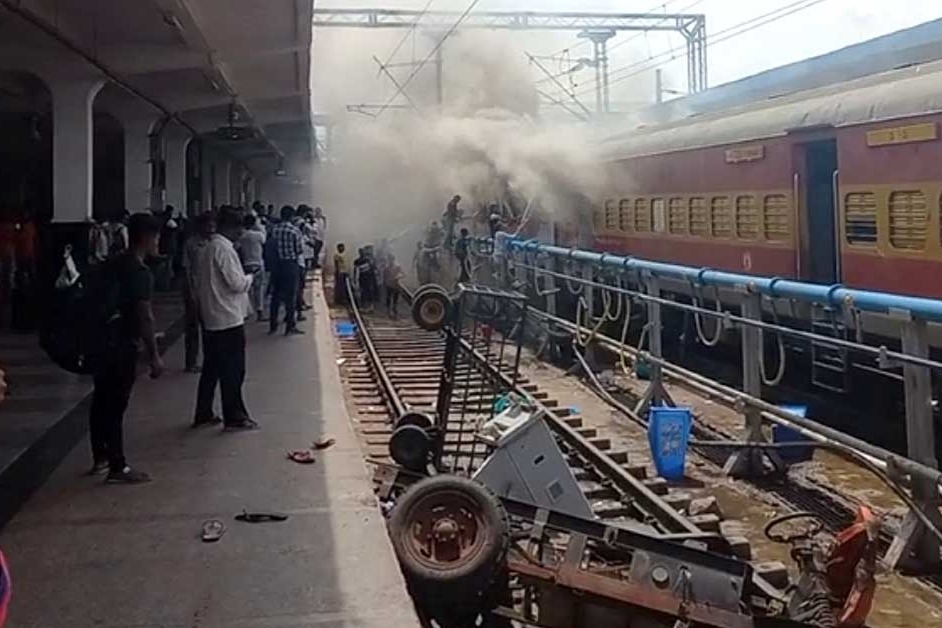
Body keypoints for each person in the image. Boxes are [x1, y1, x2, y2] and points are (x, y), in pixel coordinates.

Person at [88, 213, 164, 483]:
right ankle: (118, 466)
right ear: (146, 237)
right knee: (116, 404)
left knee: (100, 400)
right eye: (156, 237)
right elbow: (144, 316)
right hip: (121, 345)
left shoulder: (112, 262)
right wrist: (154, 355)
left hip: (100, 340)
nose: (158, 243)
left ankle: (101, 457)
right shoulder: (139, 271)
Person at [193, 207, 256, 431]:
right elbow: (236, 283)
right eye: (239, 228)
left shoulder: (209, 247)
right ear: (230, 227)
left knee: (212, 369)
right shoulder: (224, 248)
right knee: (233, 370)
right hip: (227, 318)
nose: (241, 233)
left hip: (212, 318)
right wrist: (250, 276)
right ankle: (235, 416)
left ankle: (203, 412)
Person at [181, 212, 215, 373]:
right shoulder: (191, 244)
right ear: (200, 226)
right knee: (193, 328)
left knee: (211, 327)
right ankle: (191, 361)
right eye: (208, 225)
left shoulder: (214, 243)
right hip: (194, 291)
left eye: (213, 225)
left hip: (210, 291)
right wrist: (190, 293)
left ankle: (211, 359)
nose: (211, 228)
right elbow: (186, 270)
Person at [267, 205, 305, 335]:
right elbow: (299, 250)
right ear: (292, 216)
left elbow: (269, 245)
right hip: (290, 265)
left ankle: (273, 326)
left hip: (276, 266)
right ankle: (290, 326)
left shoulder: (273, 229)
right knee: (290, 297)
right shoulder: (294, 231)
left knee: (275, 296)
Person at [238, 213, 267, 321]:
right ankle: (259, 312)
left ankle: (246, 312)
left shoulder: (241, 236)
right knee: (259, 289)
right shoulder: (258, 235)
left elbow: (237, 248)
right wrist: (259, 225)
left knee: (247, 290)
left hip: (246, 264)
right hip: (258, 263)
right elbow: (265, 238)